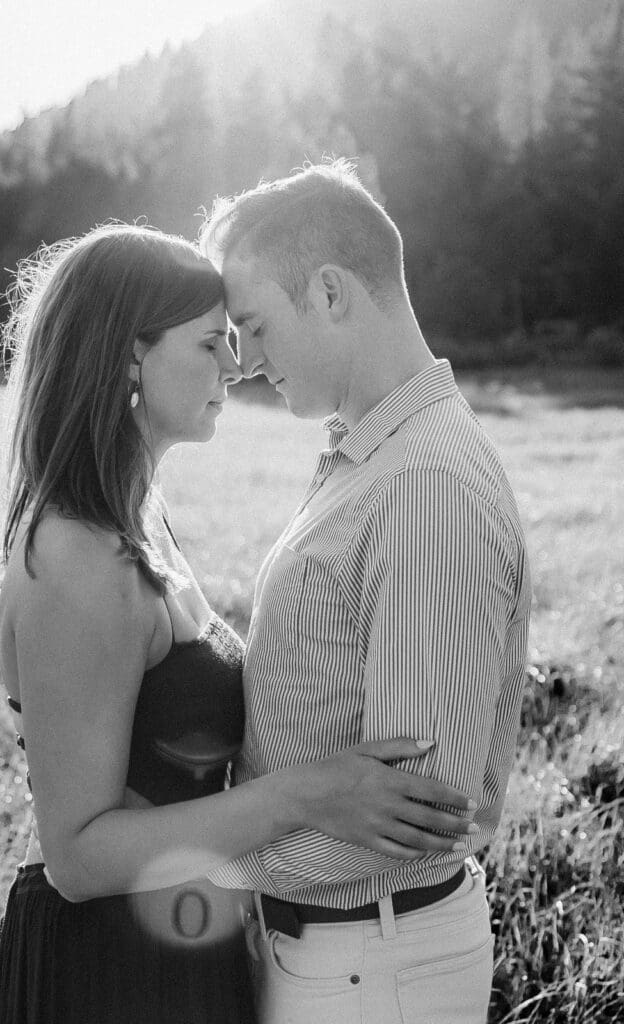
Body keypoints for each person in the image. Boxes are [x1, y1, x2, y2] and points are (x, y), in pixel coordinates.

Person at [0, 222, 478, 1024]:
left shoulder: (136, 524)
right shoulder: (74, 564)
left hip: (178, 939)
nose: (235, 365)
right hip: (105, 970)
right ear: (128, 356)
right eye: (211, 343)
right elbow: (76, 856)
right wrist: (305, 796)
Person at [199, 161, 532, 1024]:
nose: (244, 364)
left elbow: (421, 810)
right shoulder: (375, 458)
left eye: (256, 325)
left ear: (332, 291)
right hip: (342, 961)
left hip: (373, 972)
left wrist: (206, 854)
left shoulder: (424, 486)